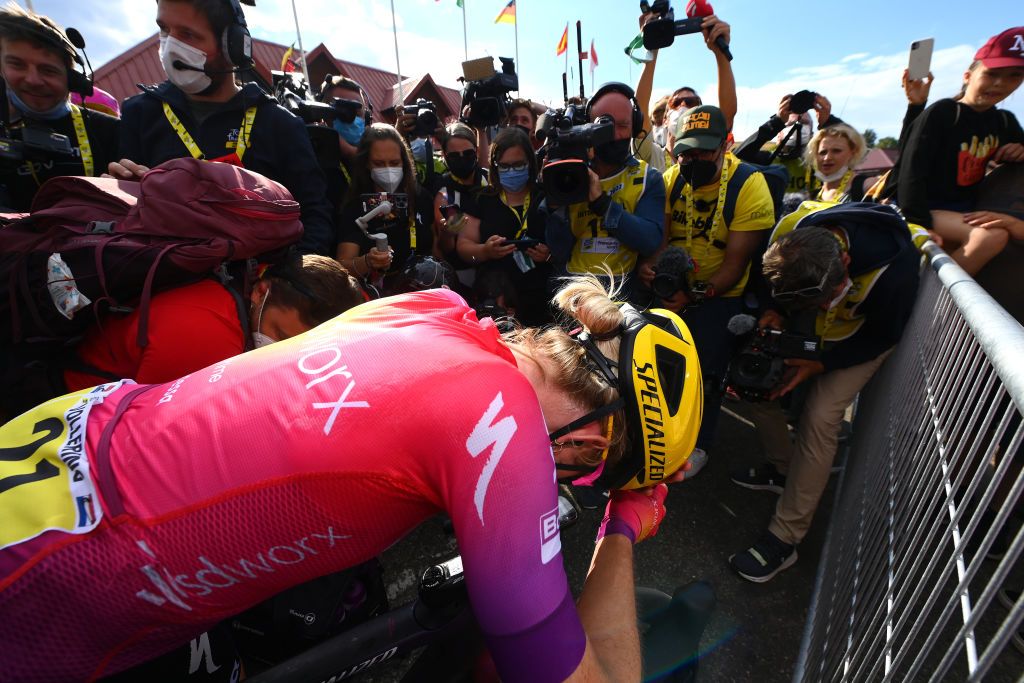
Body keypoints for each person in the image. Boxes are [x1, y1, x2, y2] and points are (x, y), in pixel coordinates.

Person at [0, 273, 703, 682]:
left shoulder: (434, 306)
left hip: (62, 439)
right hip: (64, 565)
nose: (568, 477)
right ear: (593, 438)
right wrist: (622, 525)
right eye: (588, 472)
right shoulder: (502, 424)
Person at [729, 202, 920, 582]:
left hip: (859, 340)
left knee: (821, 414)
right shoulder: (789, 229)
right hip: (805, 328)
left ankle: (785, 538)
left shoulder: (896, 269)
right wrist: (773, 312)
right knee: (755, 383)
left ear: (845, 260)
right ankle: (783, 470)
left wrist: (822, 365)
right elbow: (761, 280)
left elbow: (882, 335)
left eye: (827, 296)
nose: (825, 304)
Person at [106, 0, 335, 256]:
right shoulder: (140, 112)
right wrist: (116, 194)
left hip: (261, 286)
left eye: (188, 34)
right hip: (167, 281)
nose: (170, 46)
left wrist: (287, 284)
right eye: (164, 30)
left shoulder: (280, 124)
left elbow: (314, 214)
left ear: (233, 46)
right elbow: (121, 222)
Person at [644, 104, 775, 475]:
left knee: (705, 372)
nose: (693, 158)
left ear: (725, 146)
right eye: (686, 151)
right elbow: (661, 240)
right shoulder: (671, 179)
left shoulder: (749, 185)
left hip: (722, 294)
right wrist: (651, 270)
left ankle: (700, 441)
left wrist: (695, 296)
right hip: (675, 286)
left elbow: (735, 266)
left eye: (703, 150)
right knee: (658, 363)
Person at [63, 254, 364, 391]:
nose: (279, 349)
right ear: (262, 291)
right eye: (280, 335)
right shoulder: (209, 336)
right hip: (76, 406)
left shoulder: (252, 278)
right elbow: (164, 431)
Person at [894, 27, 1024, 275]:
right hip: (924, 208)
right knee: (991, 237)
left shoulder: (1005, 122)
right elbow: (910, 168)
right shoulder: (943, 112)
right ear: (968, 75)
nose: (1000, 83)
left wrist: (1021, 149)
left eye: (1014, 75)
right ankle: (928, 306)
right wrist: (919, 226)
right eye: (992, 73)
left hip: (964, 212)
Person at [544, 82, 665, 297]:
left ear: (635, 126)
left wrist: (603, 204)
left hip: (623, 295)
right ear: (587, 125)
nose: (615, 134)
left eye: (623, 125)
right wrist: (555, 201)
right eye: (605, 125)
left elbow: (649, 240)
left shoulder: (648, 178)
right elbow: (558, 249)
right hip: (573, 292)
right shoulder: (570, 173)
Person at [0, 5, 118, 210]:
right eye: (17, 65)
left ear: (73, 80)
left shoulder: (112, 131)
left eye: (48, 70)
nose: (33, 80)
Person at [456, 127, 553, 325]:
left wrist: (549, 255)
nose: (511, 171)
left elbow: (567, 244)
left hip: (540, 301)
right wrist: (484, 251)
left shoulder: (546, 196)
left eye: (518, 165)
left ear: (530, 163)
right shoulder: (481, 199)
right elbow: (464, 248)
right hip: (494, 302)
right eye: (505, 166)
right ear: (494, 166)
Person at [335, 123, 436, 293]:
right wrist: (367, 261)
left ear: (404, 162)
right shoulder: (356, 207)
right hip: (378, 297)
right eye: (379, 163)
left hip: (421, 291)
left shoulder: (421, 197)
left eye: (395, 162)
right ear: (366, 164)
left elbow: (436, 247)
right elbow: (341, 266)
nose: (388, 169)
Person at [633, 11, 735, 173]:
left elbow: (727, 116)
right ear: (665, 119)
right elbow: (639, 109)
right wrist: (652, 49)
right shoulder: (652, 155)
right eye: (676, 103)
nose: (683, 106)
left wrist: (721, 54)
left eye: (691, 102)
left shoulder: (711, 152)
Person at [733, 92, 844, 201]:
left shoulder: (819, 162)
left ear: (811, 133)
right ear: (779, 133)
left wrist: (830, 122)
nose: (798, 127)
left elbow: (853, 152)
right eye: (791, 124)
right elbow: (735, 158)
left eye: (804, 124)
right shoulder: (765, 158)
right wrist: (775, 122)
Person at [433, 121, 488, 273]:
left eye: (468, 153)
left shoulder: (489, 179)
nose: (462, 158)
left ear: (476, 151)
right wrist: (447, 234)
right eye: (454, 156)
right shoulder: (443, 192)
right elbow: (447, 247)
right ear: (444, 155)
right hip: (462, 272)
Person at [319, 74, 373, 213]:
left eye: (357, 111)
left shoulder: (376, 158)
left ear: (366, 118)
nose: (351, 117)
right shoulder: (311, 156)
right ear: (324, 112)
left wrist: (352, 152)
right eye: (344, 110)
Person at [803, 123, 867, 203]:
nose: (827, 158)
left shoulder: (867, 186)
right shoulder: (811, 196)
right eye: (823, 152)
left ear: (853, 152)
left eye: (836, 151)